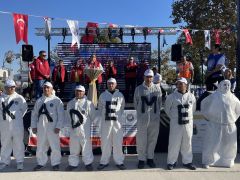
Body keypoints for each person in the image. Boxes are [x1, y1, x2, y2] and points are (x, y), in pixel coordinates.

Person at [201, 80, 240, 168]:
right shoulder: (214, 96)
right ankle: (209, 160)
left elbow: (238, 110)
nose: (226, 86)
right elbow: (203, 104)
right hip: (215, 124)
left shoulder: (233, 98)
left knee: (229, 144)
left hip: (229, 124)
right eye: (224, 85)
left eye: (228, 85)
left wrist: (233, 119)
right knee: (212, 143)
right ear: (220, 85)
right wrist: (207, 116)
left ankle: (227, 160)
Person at [31, 81, 65, 171]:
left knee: (55, 146)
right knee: (41, 145)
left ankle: (56, 163)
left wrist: (58, 126)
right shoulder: (39, 100)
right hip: (41, 127)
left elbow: (61, 115)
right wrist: (33, 126)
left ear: (51, 89)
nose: (46, 89)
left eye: (48, 87)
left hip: (53, 127)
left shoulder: (57, 100)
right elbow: (34, 114)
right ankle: (41, 163)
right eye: (44, 87)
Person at [164, 77, 196, 170]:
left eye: (182, 84)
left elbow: (192, 110)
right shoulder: (171, 96)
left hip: (188, 123)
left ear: (186, 85)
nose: (180, 85)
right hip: (176, 124)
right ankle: (171, 162)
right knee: (174, 143)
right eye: (178, 83)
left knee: (187, 143)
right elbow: (167, 109)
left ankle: (187, 162)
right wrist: (175, 118)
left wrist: (187, 118)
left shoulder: (191, 96)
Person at [134, 69, 162, 169]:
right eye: (147, 77)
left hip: (154, 119)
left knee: (152, 139)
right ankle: (141, 159)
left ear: (153, 77)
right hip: (142, 119)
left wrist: (156, 114)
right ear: (144, 77)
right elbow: (136, 103)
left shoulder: (157, 89)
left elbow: (160, 103)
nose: (149, 79)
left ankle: (150, 158)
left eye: (150, 77)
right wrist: (141, 114)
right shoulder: (138, 89)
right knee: (141, 140)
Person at [97, 78, 126, 170]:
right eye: (109, 83)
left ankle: (119, 161)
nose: (111, 85)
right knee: (105, 143)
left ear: (116, 85)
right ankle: (104, 161)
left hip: (117, 124)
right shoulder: (102, 95)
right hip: (106, 123)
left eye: (112, 84)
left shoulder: (120, 95)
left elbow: (121, 108)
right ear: (107, 85)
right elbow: (100, 109)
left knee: (118, 143)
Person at [65, 85, 96, 171]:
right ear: (75, 92)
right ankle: (73, 164)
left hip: (84, 130)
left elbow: (93, 116)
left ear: (84, 92)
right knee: (73, 148)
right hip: (73, 130)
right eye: (77, 91)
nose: (78, 93)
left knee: (86, 147)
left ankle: (88, 163)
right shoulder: (70, 103)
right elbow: (68, 116)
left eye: (80, 91)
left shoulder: (88, 103)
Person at [0, 79, 27, 170]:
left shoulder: (19, 98)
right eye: (10, 87)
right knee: (5, 143)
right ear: (6, 88)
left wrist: (17, 118)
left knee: (18, 143)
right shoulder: (1, 98)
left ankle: (19, 161)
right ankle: (4, 161)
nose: (12, 89)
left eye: (13, 87)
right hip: (4, 125)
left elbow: (24, 109)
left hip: (17, 125)